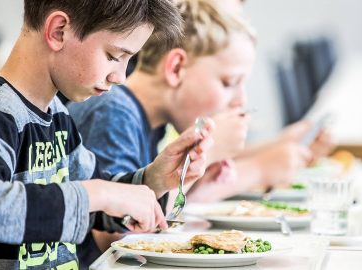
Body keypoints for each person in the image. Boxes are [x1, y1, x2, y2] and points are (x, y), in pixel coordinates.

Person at [68, 0, 332, 257]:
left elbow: (163, 210)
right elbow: (117, 238)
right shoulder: (112, 111)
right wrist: (253, 168)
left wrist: (203, 174)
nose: (241, 101)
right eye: (229, 82)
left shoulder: (150, 120)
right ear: (176, 68)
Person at [0, 0, 214, 268]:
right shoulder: (1, 113)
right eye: (114, 56)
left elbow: (96, 205)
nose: (120, 76)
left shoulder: (57, 115)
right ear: (58, 31)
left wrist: (153, 179)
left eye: (128, 60)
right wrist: (100, 193)